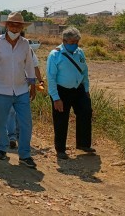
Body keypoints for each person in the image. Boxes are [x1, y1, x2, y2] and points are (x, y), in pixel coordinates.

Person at [0, 11, 37, 168]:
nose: (15, 28)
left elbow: (29, 64)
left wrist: (33, 84)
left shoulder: (25, 44)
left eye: (18, 25)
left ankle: (25, 155)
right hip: (1, 90)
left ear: (22, 27)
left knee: (26, 123)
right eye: (12, 25)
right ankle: (2, 149)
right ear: (7, 26)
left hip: (21, 90)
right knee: (1, 122)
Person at [46, 26, 95, 160]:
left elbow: (84, 71)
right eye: (72, 42)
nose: (74, 45)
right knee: (61, 119)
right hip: (61, 91)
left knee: (86, 111)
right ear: (64, 41)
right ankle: (60, 149)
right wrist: (56, 98)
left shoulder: (80, 53)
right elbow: (51, 78)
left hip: (79, 89)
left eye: (76, 42)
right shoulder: (55, 54)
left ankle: (83, 144)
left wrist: (86, 89)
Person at [7, 47, 44, 149]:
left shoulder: (27, 49)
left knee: (20, 111)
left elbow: (35, 66)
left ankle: (18, 135)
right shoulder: (3, 46)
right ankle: (12, 136)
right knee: (11, 111)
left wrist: (40, 80)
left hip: (23, 85)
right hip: (7, 84)